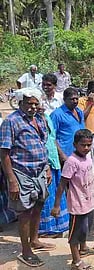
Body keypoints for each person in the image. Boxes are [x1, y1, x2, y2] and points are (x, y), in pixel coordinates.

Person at [0, 87, 54, 267]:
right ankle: (26, 251)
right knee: (25, 212)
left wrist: (46, 167)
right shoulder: (11, 121)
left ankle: (35, 239)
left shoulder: (38, 119)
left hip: (39, 171)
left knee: (38, 205)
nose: (32, 107)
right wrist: (12, 180)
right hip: (22, 173)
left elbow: (42, 145)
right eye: (29, 103)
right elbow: (4, 153)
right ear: (20, 103)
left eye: (35, 104)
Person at [51, 129, 94, 270]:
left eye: (89, 145)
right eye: (83, 145)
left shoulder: (88, 157)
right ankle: (76, 261)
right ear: (75, 145)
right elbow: (62, 185)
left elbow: (90, 178)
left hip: (89, 202)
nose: (86, 148)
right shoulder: (72, 162)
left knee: (86, 228)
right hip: (78, 204)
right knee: (75, 233)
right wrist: (56, 206)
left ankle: (83, 248)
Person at [38, 104, 69, 237]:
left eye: (39, 104)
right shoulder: (33, 122)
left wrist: (61, 155)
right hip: (44, 164)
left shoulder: (47, 118)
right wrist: (46, 165)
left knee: (57, 193)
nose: (39, 107)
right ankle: (45, 229)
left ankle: (58, 226)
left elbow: (52, 138)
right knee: (46, 196)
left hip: (54, 160)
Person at [51, 87, 86, 163]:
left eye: (77, 99)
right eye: (72, 99)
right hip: (66, 155)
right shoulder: (57, 114)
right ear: (64, 99)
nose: (75, 101)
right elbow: (51, 137)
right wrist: (61, 155)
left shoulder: (79, 112)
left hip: (80, 154)